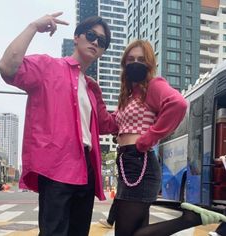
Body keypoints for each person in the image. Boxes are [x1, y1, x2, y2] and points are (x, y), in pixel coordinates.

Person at [0, 12, 118, 236]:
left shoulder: (92, 89)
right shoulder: (47, 67)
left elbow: (108, 125)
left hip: (86, 168)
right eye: (91, 35)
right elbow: (7, 67)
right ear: (76, 37)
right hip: (57, 166)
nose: (95, 42)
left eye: (102, 42)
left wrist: (140, 99)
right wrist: (33, 26)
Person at [94, 39, 226, 235]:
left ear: (149, 64)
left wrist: (148, 139)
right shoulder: (129, 96)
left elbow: (178, 104)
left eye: (141, 59)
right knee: (135, 230)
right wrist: (96, 94)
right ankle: (190, 218)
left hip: (139, 161)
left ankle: (191, 218)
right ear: (124, 64)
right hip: (127, 162)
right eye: (130, 59)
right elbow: (108, 125)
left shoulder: (153, 86)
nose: (135, 63)